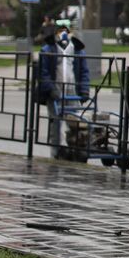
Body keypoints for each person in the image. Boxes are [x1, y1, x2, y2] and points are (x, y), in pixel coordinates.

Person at [37, 24, 89, 158]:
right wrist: (51, 89)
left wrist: (84, 91)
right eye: (60, 32)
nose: (63, 34)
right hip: (56, 91)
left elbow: (84, 72)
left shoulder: (77, 50)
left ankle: (75, 149)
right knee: (56, 122)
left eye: (66, 31)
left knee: (75, 122)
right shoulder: (48, 49)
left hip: (72, 91)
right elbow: (43, 73)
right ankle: (57, 152)